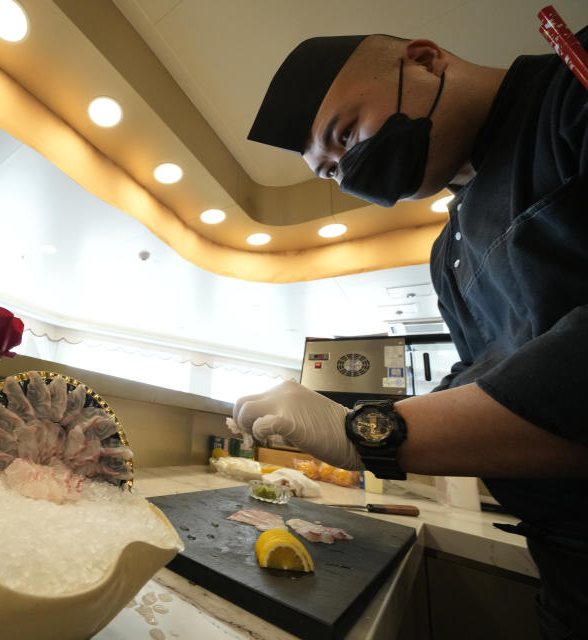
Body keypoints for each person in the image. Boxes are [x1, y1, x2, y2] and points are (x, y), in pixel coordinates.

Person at [236, 28, 588, 639]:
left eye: (345, 135)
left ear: (424, 60)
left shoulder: (571, 89)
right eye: (331, 171)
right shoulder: (446, 251)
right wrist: (367, 416)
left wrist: (370, 433)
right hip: (569, 570)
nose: (348, 173)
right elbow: (480, 378)